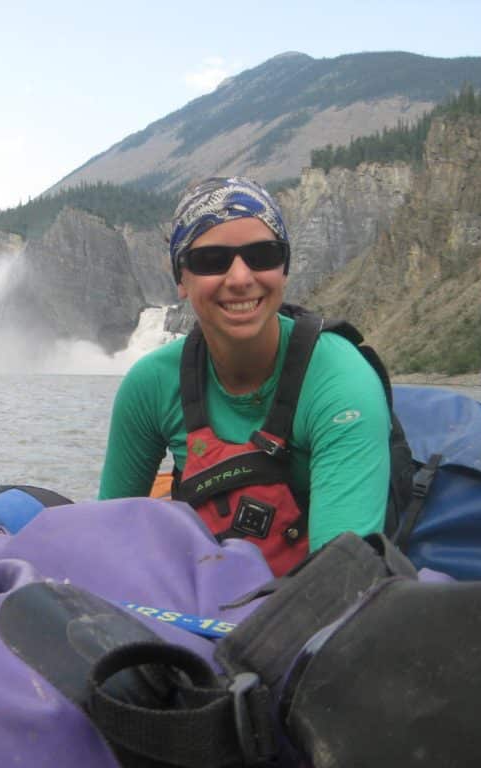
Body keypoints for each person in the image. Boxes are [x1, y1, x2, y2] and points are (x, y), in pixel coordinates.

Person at [98, 176, 392, 575]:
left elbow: (339, 583)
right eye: (211, 260)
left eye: (262, 254)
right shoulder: (150, 384)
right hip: (205, 592)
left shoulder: (341, 383)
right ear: (181, 279)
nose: (240, 278)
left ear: (284, 269)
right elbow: (108, 537)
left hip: (310, 598)